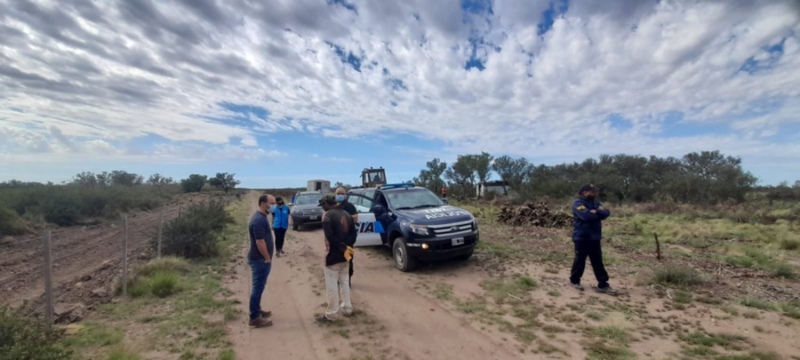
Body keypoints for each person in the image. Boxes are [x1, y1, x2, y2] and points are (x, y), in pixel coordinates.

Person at [569, 184, 616, 295]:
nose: (595, 193)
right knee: (580, 260)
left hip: (595, 237)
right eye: (592, 192)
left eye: (595, 192)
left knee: (598, 261)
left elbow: (606, 213)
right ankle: (574, 280)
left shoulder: (595, 202)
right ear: (585, 192)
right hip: (581, 237)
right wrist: (596, 212)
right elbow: (586, 216)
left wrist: (596, 211)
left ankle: (603, 284)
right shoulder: (578, 203)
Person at [316, 194, 356, 323]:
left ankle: (332, 314)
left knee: (332, 285)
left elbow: (330, 236)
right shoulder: (347, 214)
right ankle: (347, 308)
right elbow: (354, 234)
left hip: (333, 255)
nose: (322, 208)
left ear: (327, 204)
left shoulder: (327, 217)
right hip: (346, 255)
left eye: (323, 205)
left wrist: (340, 246)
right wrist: (346, 246)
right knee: (344, 281)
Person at [248, 194, 276, 328]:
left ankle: (257, 310)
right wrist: (267, 258)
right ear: (263, 203)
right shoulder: (258, 219)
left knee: (260, 287)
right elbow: (260, 242)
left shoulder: (262, 217)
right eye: (272, 203)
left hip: (261, 260)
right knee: (257, 288)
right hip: (259, 260)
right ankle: (254, 318)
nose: (274, 205)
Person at [335, 187, 358, 284]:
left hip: (348, 239)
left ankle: (348, 280)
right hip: (336, 240)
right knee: (336, 261)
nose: (340, 195)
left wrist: (343, 219)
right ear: (335, 194)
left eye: (342, 193)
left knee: (348, 260)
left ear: (345, 195)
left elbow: (356, 218)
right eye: (338, 193)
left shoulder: (350, 206)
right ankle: (337, 280)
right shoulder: (333, 206)